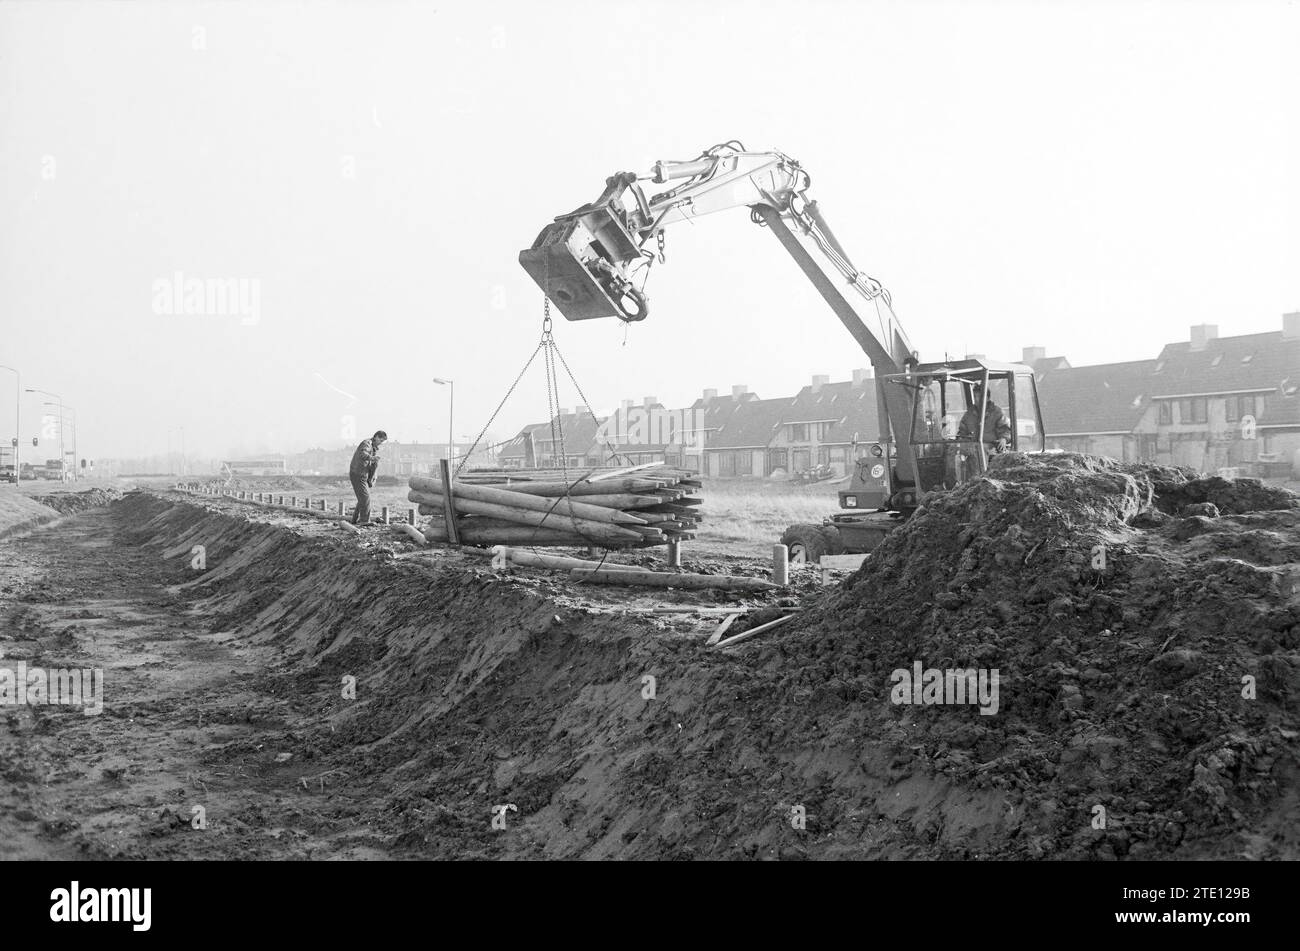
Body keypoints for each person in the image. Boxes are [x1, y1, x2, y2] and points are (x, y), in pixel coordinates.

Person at [957, 384, 1012, 451]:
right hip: (973, 450)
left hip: (992, 450)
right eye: (975, 396)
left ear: (988, 398)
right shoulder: (968, 415)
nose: (977, 399)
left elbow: (1005, 430)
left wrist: (1004, 439)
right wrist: (960, 440)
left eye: (980, 397)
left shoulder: (997, 413)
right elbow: (962, 432)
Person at [349, 430, 387, 524]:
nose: (381, 443)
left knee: (362, 498)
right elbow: (363, 454)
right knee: (365, 498)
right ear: (376, 437)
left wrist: (371, 478)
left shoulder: (373, 448)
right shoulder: (366, 443)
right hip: (357, 473)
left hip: (363, 475)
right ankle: (364, 521)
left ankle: (354, 520)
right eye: (381, 441)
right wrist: (372, 458)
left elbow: (371, 465)